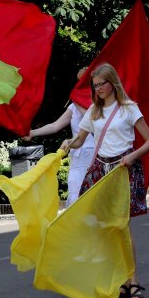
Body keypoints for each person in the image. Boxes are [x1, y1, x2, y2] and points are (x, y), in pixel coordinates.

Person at [60, 62, 149, 298]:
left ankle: (133, 281)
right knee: (103, 227)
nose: (98, 89)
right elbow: (80, 140)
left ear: (112, 83)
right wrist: (68, 144)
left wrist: (132, 157)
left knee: (121, 226)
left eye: (101, 84)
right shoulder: (93, 110)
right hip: (100, 170)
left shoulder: (129, 109)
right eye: (95, 86)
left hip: (123, 169)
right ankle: (119, 280)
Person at [23, 67, 94, 207]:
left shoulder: (100, 104)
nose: (81, 85)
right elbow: (55, 125)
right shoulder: (74, 106)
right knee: (75, 196)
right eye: (79, 82)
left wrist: (79, 101)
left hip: (93, 155)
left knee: (90, 197)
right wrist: (32, 133)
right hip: (77, 155)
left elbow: (92, 122)